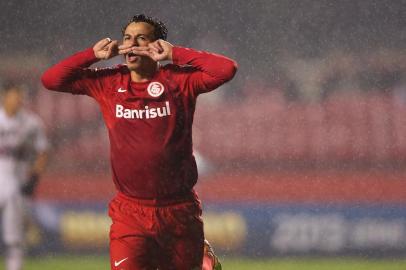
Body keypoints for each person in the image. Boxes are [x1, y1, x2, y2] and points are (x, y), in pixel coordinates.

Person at [41, 14, 237, 270]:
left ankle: (204, 260)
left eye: (141, 38)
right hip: (130, 212)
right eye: (127, 38)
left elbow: (226, 69)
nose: (131, 44)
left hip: (179, 210)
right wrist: (91, 54)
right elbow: (51, 80)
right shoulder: (109, 82)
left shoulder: (178, 80)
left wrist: (175, 53)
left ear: (156, 46)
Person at [0, 82, 48, 270]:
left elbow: (43, 151)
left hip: (18, 183)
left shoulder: (31, 123)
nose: (19, 100)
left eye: (21, 96)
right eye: (15, 95)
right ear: (4, 96)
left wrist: (34, 179)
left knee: (14, 238)